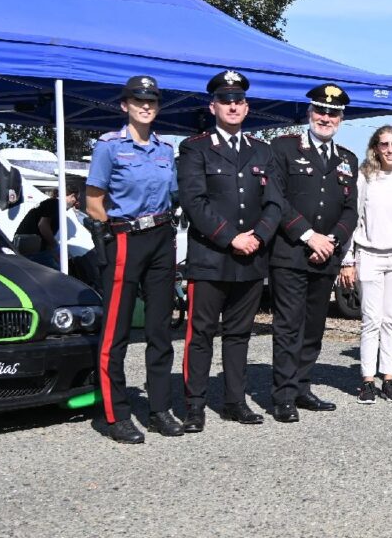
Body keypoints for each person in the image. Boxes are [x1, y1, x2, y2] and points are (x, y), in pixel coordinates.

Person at [176, 69, 281, 431]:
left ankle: (235, 401)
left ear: (246, 107)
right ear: (213, 106)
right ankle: (194, 406)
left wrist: (259, 237)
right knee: (201, 333)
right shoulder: (195, 147)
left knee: (239, 334)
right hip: (210, 256)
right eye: (225, 101)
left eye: (238, 101)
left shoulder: (261, 150)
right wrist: (230, 237)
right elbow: (194, 200)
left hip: (251, 257)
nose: (232, 106)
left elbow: (274, 202)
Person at [85, 75, 180, 443]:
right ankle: (116, 414)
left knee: (159, 329)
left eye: (152, 102)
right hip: (125, 238)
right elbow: (94, 200)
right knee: (117, 331)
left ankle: (159, 410)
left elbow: (172, 195)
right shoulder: (109, 147)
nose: (145, 106)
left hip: (161, 237)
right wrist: (112, 231)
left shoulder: (164, 149)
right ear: (125, 105)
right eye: (138, 101)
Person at [266, 83, 359, 422]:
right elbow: (276, 198)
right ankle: (284, 395)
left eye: (333, 113)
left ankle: (302, 386)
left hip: (327, 255)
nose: (326, 117)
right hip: (291, 253)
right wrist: (308, 236)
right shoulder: (283, 147)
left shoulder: (347, 159)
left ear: (341, 118)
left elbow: (350, 210)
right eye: (320, 110)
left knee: (313, 327)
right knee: (288, 326)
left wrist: (332, 240)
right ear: (309, 112)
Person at [338, 126, 392, 404]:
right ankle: (367, 381)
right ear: (374, 147)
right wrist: (347, 259)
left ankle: (389, 379)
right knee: (371, 320)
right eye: (383, 144)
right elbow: (352, 219)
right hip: (369, 255)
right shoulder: (364, 178)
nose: (389, 150)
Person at [14, 175, 83, 269]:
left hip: (30, 247)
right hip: (33, 250)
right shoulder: (55, 204)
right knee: (57, 274)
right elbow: (43, 225)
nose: (75, 203)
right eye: (76, 199)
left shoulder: (50, 203)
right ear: (72, 196)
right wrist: (55, 245)